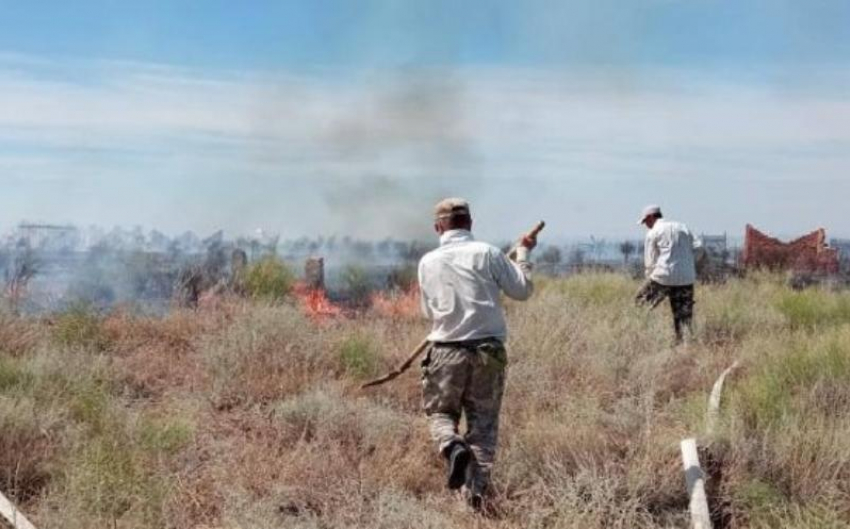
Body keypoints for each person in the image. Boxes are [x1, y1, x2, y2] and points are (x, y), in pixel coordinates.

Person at [417, 197, 536, 511]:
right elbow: (522, 290)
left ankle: (451, 444)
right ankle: (474, 501)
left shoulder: (427, 262)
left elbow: (428, 311)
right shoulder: (489, 253)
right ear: (470, 223)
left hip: (445, 352)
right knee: (483, 430)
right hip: (488, 353)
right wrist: (522, 254)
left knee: (440, 415)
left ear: (437, 227)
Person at [635, 205, 703, 344]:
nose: (646, 225)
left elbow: (650, 261)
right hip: (686, 277)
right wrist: (688, 262)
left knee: (640, 304)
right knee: (683, 316)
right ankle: (684, 344)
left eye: (645, 221)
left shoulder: (653, 232)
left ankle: (639, 336)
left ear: (650, 217)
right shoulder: (683, 227)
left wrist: (650, 277)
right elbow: (699, 247)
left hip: (662, 276)